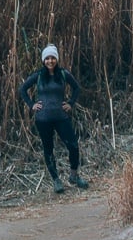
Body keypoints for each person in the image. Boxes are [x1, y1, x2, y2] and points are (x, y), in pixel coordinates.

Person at [19, 43, 89, 194]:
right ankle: (56, 180)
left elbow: (76, 88)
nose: (50, 61)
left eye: (53, 58)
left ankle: (74, 175)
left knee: (73, 145)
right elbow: (23, 89)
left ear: (56, 59)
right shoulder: (38, 76)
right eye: (47, 58)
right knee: (48, 149)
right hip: (43, 119)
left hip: (61, 117)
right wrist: (31, 105)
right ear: (44, 60)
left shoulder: (63, 74)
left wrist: (70, 103)